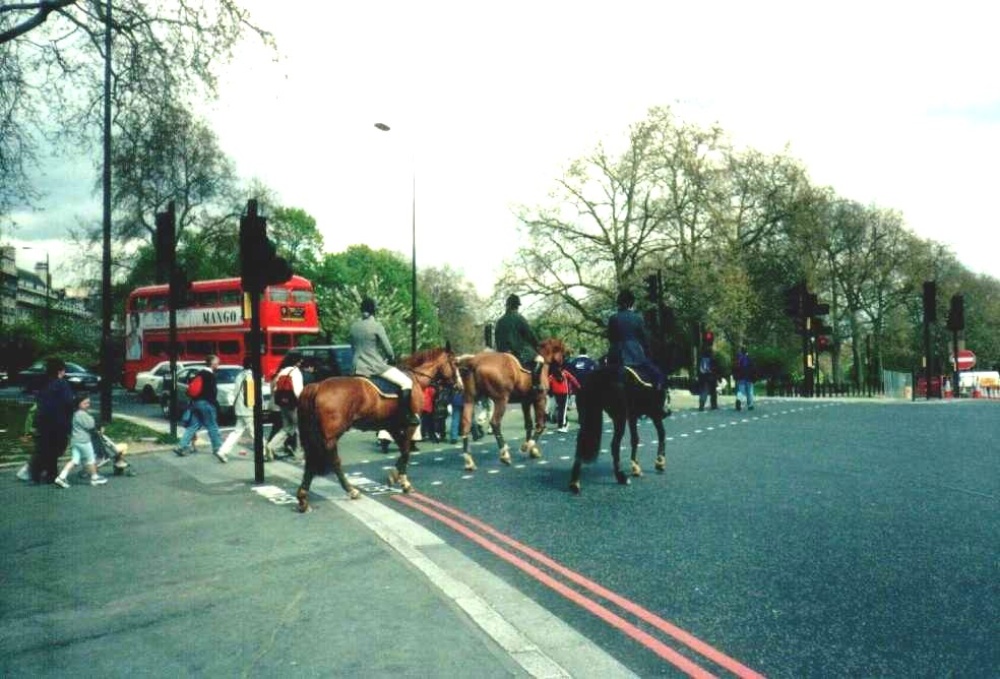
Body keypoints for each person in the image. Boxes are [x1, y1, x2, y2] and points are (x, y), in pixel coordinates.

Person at [349, 297, 420, 426]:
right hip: (374, 366)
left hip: (356, 367)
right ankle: (405, 415)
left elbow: (353, 347)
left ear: (362, 310)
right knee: (406, 382)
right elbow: (388, 349)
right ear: (373, 311)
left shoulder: (354, 326)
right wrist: (391, 358)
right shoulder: (376, 326)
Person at [28, 358, 75, 484]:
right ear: (61, 371)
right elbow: (68, 403)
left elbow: (39, 402)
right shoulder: (62, 384)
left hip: (43, 421)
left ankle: (40, 473)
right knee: (56, 448)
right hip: (59, 423)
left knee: (44, 447)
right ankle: (47, 473)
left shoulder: (44, 383)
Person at [606, 290, 664, 389]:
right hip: (634, 354)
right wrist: (648, 352)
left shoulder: (613, 318)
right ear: (631, 303)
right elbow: (644, 338)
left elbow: (611, 338)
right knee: (657, 374)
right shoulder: (637, 318)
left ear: (619, 303)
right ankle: (658, 388)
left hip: (615, 354)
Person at [174, 354, 226, 462]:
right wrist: (215, 405)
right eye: (217, 362)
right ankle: (218, 449)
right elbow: (212, 393)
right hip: (206, 404)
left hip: (195, 403)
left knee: (193, 425)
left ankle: (180, 446)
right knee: (212, 425)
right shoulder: (210, 375)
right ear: (212, 363)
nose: (218, 364)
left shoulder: (199, 373)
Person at [53, 394, 108, 488]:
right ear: (79, 404)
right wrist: (92, 419)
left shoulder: (75, 414)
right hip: (84, 441)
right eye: (85, 403)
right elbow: (90, 425)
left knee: (74, 460)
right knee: (91, 459)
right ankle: (95, 478)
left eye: (88, 403)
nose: (88, 405)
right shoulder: (82, 414)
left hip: (75, 441)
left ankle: (61, 477)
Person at [494, 293, 544, 391]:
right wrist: (536, 345)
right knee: (540, 359)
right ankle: (536, 384)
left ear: (507, 306)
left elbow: (496, 337)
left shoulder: (500, 321)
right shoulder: (520, 318)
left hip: (502, 352)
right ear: (517, 306)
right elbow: (530, 335)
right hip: (519, 351)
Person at [266, 355, 307, 460]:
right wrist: (303, 403)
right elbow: (298, 390)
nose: (300, 364)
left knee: (287, 427)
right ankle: (299, 453)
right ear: (297, 362)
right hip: (293, 404)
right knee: (299, 428)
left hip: (282, 403)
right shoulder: (296, 372)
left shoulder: (282, 371)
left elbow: (275, 388)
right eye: (300, 362)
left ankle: (271, 446)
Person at [217, 357, 256, 460]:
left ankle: (222, 451)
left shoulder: (239, 375)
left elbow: (236, 392)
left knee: (236, 432)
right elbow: (251, 396)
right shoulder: (250, 376)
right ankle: (264, 453)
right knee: (255, 432)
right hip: (248, 409)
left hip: (239, 407)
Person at [548, 364, 580, 433]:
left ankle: (563, 425)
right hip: (564, 393)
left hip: (557, 394)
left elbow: (547, 383)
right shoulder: (564, 373)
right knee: (563, 410)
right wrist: (578, 387)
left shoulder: (552, 376)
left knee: (561, 409)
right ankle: (563, 425)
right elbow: (573, 379)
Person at [697, 346, 720, 411]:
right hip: (711, 377)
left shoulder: (702, 359)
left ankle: (701, 405)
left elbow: (700, 369)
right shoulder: (713, 359)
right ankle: (714, 405)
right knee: (713, 392)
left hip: (703, 377)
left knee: (704, 391)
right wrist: (717, 377)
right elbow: (715, 369)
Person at [734, 345, 755, 411]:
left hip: (741, 378)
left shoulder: (739, 358)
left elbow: (736, 368)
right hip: (749, 378)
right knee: (749, 392)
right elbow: (753, 369)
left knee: (741, 391)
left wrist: (736, 377)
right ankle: (750, 405)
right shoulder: (749, 358)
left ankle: (739, 401)